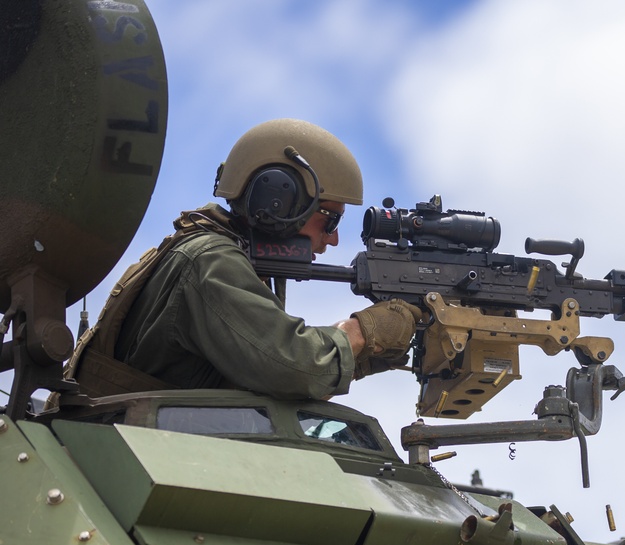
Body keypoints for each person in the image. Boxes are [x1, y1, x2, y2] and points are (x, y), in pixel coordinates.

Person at [65, 118, 419, 400]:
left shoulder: (213, 254)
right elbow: (294, 366)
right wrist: (363, 331)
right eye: (330, 219)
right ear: (279, 198)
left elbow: (269, 381)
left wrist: (372, 351)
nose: (334, 238)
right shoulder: (210, 262)